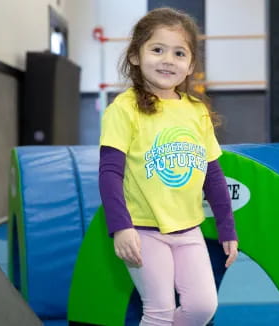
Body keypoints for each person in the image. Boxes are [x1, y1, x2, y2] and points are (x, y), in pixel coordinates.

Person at [98, 7, 238, 326]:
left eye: (178, 53)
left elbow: (213, 175)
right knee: (158, 311)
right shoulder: (125, 109)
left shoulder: (196, 111)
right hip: (144, 229)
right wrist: (121, 227)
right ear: (135, 55)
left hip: (188, 228)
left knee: (202, 307)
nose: (167, 60)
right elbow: (109, 173)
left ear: (190, 66)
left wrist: (227, 228)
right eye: (157, 49)